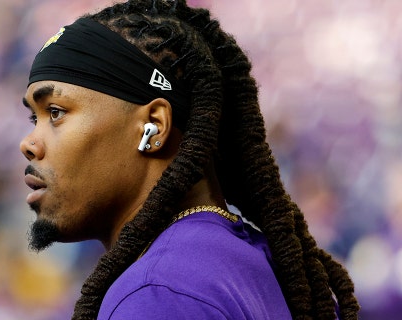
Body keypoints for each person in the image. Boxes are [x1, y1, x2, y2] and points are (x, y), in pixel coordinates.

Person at [19, 0, 359, 319]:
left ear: (153, 126)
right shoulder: (268, 264)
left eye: (56, 112)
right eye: (36, 119)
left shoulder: (158, 294)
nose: (29, 144)